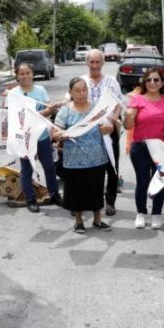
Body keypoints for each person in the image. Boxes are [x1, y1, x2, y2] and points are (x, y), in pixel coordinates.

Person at [53, 77, 113, 233]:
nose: (82, 93)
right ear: (71, 93)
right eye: (77, 90)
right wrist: (60, 135)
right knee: (77, 191)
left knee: (96, 189)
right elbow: (55, 132)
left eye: (84, 89)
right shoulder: (65, 110)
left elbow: (109, 126)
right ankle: (78, 221)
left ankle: (98, 220)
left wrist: (107, 129)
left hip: (96, 158)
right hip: (74, 160)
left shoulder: (96, 108)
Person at [7, 62, 61, 213]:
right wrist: (42, 113)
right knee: (27, 169)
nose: (25, 76)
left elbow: (48, 109)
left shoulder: (41, 90)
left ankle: (54, 194)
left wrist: (50, 108)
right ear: (17, 76)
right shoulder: (13, 94)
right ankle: (30, 199)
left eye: (28, 73)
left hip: (42, 136)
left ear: (32, 74)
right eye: (21, 74)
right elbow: (13, 116)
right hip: (24, 139)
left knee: (49, 167)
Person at [80, 49, 126, 217]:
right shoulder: (81, 81)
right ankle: (93, 202)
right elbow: (70, 101)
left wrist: (114, 120)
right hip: (88, 132)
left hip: (109, 130)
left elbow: (119, 102)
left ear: (102, 63)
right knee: (91, 168)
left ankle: (110, 201)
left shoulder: (111, 81)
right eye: (91, 62)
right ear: (87, 63)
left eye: (97, 62)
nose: (94, 65)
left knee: (112, 167)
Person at [124, 68, 164, 229]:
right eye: (149, 80)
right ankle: (141, 213)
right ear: (144, 82)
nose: (152, 82)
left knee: (159, 181)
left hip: (161, 148)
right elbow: (128, 125)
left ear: (162, 83)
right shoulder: (136, 99)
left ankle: (156, 214)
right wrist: (129, 116)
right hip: (141, 147)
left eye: (156, 80)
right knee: (142, 181)